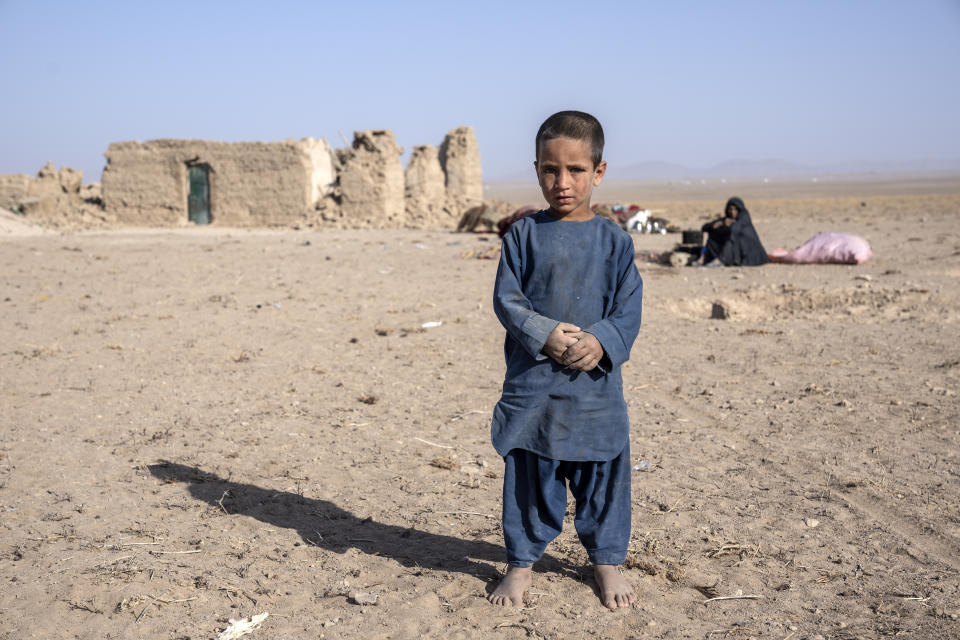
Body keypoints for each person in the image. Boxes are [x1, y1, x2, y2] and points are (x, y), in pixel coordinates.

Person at [487, 111, 644, 610]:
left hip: (594, 391)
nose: (563, 182)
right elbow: (508, 301)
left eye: (576, 170)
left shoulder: (615, 242)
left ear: (598, 172)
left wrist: (600, 340)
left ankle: (606, 561)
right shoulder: (522, 236)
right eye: (550, 170)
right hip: (536, 388)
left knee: (603, 477)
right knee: (531, 475)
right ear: (536, 169)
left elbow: (628, 308)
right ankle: (520, 563)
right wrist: (544, 333)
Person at [700, 197, 769, 266]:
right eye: (730, 209)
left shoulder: (744, 218)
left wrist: (726, 225)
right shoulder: (727, 219)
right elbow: (704, 228)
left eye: (735, 209)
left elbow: (734, 230)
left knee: (732, 238)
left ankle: (721, 260)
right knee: (713, 234)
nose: (733, 212)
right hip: (735, 250)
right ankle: (704, 258)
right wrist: (715, 225)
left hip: (749, 253)